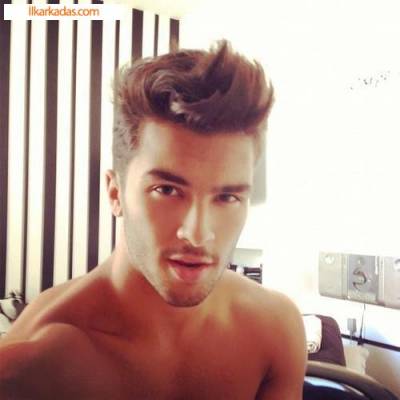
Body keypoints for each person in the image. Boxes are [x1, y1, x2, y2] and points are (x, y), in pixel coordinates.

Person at [0, 40, 306, 399]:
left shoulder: (275, 330)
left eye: (227, 197)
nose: (197, 234)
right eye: (167, 190)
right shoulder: (30, 363)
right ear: (115, 193)